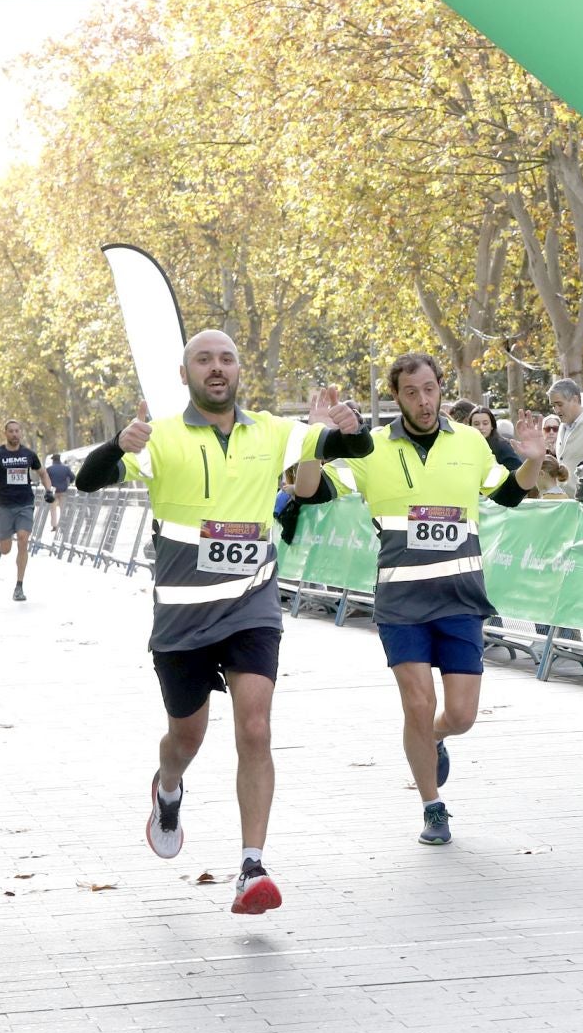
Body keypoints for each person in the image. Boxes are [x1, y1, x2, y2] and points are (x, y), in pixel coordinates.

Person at [74, 330, 373, 915]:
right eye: (204, 360)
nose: (217, 368)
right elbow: (87, 480)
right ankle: (167, 789)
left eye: (227, 360)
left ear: (241, 371)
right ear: (184, 374)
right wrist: (117, 443)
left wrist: (349, 422)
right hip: (182, 616)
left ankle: (252, 865)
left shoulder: (274, 430)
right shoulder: (158, 437)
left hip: (251, 606)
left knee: (255, 728)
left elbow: (350, 450)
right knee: (187, 737)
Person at [293, 352, 544, 847]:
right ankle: (433, 807)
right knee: (416, 702)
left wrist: (533, 460)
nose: (423, 401)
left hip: (461, 598)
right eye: (412, 393)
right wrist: (312, 441)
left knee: (461, 715)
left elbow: (510, 494)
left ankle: (435, 737)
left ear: (440, 388)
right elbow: (307, 491)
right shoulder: (372, 450)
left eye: (430, 389)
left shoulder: (471, 442)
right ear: (397, 397)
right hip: (401, 603)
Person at [0, 420, 54, 602]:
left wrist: (49, 490)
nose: (14, 434)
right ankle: (0, 543)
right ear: (5, 433)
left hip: (25, 503)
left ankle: (19, 586)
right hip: (4, 505)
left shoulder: (28, 454)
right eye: (11, 431)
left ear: (21, 433)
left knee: (23, 538)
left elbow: (43, 473)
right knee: (6, 549)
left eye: (17, 431)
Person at [548, 377, 583, 470]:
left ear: (575, 400)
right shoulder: (562, 426)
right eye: (553, 406)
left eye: (560, 404)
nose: (556, 410)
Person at [45, 453, 74, 532]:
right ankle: (63, 524)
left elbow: (45, 479)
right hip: (63, 491)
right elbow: (72, 477)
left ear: (53, 460)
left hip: (53, 492)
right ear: (59, 459)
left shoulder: (49, 469)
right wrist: (68, 483)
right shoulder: (66, 468)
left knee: (53, 509)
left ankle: (54, 525)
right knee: (63, 509)